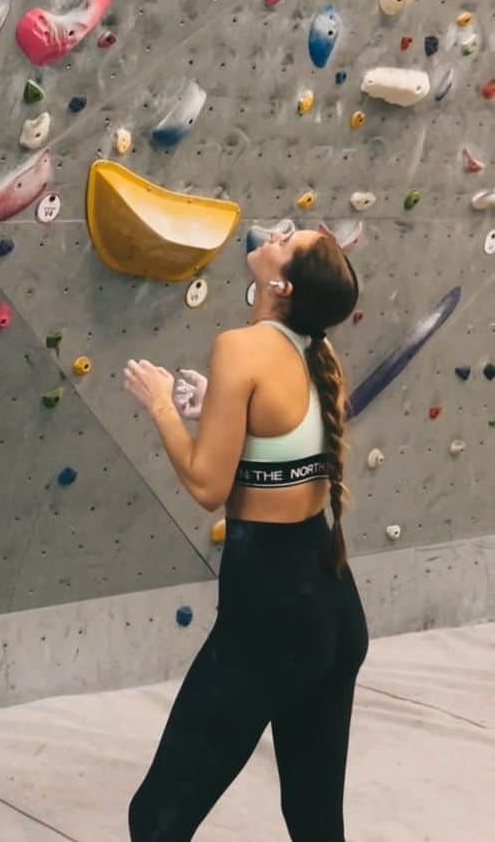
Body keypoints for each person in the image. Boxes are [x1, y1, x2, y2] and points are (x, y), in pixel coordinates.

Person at [123, 218, 369, 842]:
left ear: (281, 285)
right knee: (315, 820)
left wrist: (159, 405)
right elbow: (287, 448)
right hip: (334, 611)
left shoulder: (242, 347)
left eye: (288, 243)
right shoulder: (320, 350)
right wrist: (218, 410)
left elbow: (208, 486)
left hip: (269, 618)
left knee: (156, 818)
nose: (275, 233)